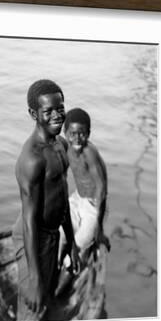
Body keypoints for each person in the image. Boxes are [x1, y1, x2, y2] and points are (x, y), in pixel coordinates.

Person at [12, 79, 80, 319]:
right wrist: (34, 279)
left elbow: (61, 200)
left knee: (48, 297)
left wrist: (71, 243)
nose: (57, 116)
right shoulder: (32, 159)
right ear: (33, 114)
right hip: (33, 235)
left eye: (60, 108)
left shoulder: (60, 145)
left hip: (52, 233)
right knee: (33, 306)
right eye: (47, 111)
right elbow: (30, 221)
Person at [61, 107, 110, 266]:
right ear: (65, 132)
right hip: (77, 199)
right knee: (58, 236)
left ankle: (70, 268)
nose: (76, 139)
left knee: (76, 247)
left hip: (94, 205)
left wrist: (99, 230)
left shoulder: (89, 153)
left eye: (81, 134)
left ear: (88, 134)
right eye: (72, 134)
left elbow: (102, 190)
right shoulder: (65, 148)